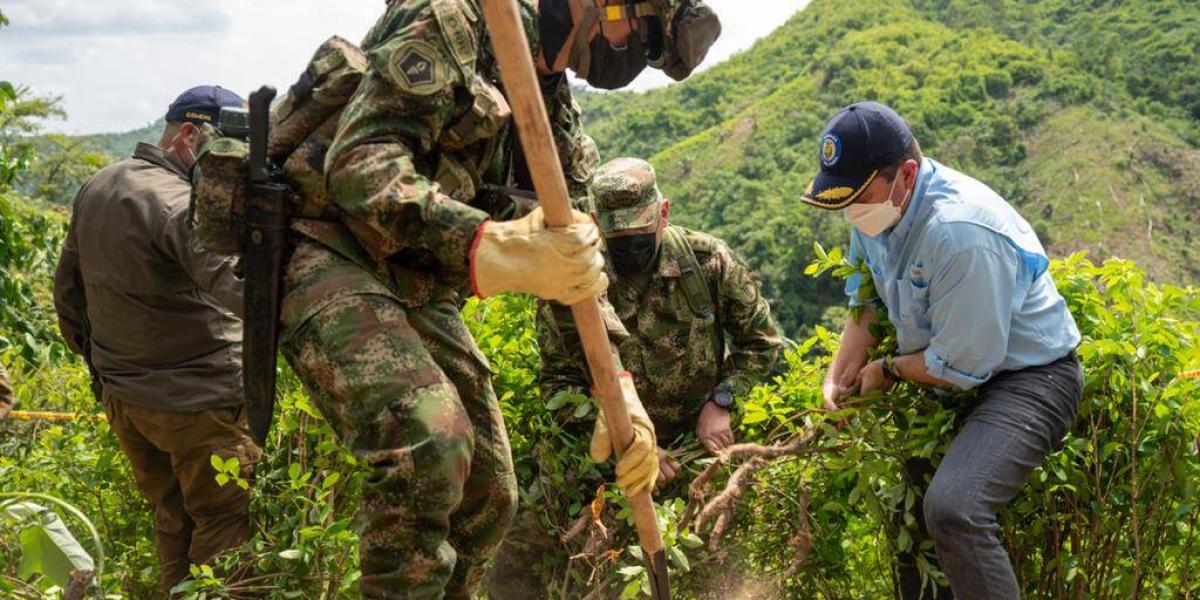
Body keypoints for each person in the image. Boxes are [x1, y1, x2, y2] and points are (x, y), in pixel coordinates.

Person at [277, 1, 720, 598]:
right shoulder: (454, 19)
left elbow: (577, 265)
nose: (630, 63)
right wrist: (486, 243)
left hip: (418, 280)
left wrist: (620, 388)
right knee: (430, 446)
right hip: (327, 249)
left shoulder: (552, 104)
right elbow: (359, 168)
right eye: (640, 41)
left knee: (489, 488)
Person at [803, 101, 1083, 600]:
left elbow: (964, 366)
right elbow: (864, 302)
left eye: (858, 197)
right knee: (909, 514)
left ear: (906, 174)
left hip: (1026, 378)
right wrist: (837, 377)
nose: (851, 211)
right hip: (944, 369)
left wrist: (886, 369)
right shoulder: (876, 214)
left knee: (955, 509)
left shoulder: (959, 234)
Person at [488, 156, 782, 595]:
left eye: (640, 235)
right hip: (606, 457)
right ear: (595, 222)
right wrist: (627, 440)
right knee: (517, 563)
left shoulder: (707, 264)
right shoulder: (575, 281)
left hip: (691, 454)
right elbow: (559, 384)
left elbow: (761, 342)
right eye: (618, 238)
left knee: (705, 565)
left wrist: (722, 402)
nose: (630, 249)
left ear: (663, 213)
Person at [53, 86, 259, 594]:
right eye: (227, 153)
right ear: (190, 136)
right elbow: (247, 294)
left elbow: (68, 295)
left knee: (172, 519)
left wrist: (108, 373)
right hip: (201, 405)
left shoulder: (99, 184)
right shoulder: (179, 203)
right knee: (224, 526)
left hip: (129, 401)